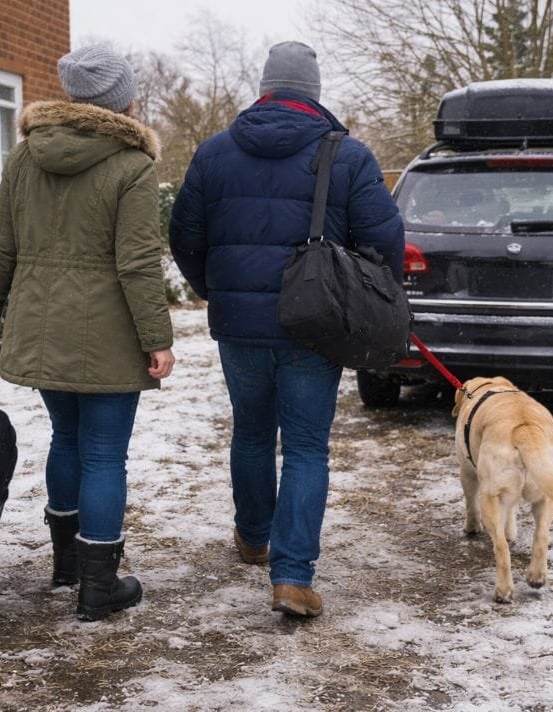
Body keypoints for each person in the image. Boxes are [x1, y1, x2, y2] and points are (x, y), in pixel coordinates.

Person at [169, 41, 404, 618]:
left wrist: (215, 289)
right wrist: (368, 295)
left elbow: (183, 235)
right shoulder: (348, 156)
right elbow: (386, 241)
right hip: (316, 325)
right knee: (304, 445)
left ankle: (252, 536)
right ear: (314, 93)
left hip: (240, 325)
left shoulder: (214, 153)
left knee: (251, 433)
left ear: (264, 87)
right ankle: (292, 577)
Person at [0, 43, 175, 622]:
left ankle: (67, 567)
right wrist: (158, 337)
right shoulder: (132, 165)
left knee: (67, 440)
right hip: (107, 336)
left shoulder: (25, 157)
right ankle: (98, 588)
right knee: (105, 455)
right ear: (122, 100)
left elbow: (0, 249)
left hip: (41, 326)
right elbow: (137, 263)